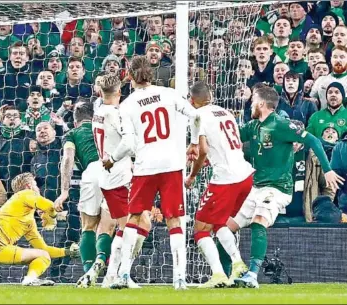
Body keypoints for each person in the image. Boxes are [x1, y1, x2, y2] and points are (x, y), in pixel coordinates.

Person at [228, 86, 344, 288]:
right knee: (226, 227)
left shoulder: (281, 125)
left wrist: (327, 170)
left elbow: (313, 140)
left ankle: (252, 276)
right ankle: (226, 274)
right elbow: (231, 138)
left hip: (277, 188)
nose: (251, 104)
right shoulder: (253, 126)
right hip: (255, 188)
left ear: (262, 103)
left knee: (259, 221)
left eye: (254, 100)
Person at [104, 56, 200, 290]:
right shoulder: (168, 94)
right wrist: (195, 143)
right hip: (171, 164)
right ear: (152, 74)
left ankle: (124, 274)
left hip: (146, 166)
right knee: (174, 219)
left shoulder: (127, 105)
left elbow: (127, 142)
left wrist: (112, 159)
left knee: (134, 218)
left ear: (130, 76)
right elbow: (196, 116)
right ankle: (179, 278)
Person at [184, 81, 253, 288]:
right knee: (219, 222)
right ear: (211, 96)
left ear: (191, 101)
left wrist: (192, 176)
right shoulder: (226, 113)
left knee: (200, 229)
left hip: (226, 180)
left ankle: (218, 275)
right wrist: (210, 159)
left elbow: (202, 150)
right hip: (245, 176)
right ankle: (238, 263)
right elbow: (229, 145)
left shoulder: (197, 117)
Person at [87, 74, 151, 288]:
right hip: (118, 178)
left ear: (99, 92)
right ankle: (122, 275)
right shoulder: (115, 114)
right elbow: (130, 144)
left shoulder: (98, 111)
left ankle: (111, 275)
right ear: (119, 93)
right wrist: (115, 158)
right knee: (132, 226)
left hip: (111, 178)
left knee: (136, 225)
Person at [53, 102, 116, 288]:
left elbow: (67, 159)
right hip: (115, 171)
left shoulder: (71, 134)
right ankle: (103, 262)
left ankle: (89, 271)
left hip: (92, 172)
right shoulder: (104, 127)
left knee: (88, 227)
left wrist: (64, 191)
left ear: (75, 119)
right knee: (108, 227)